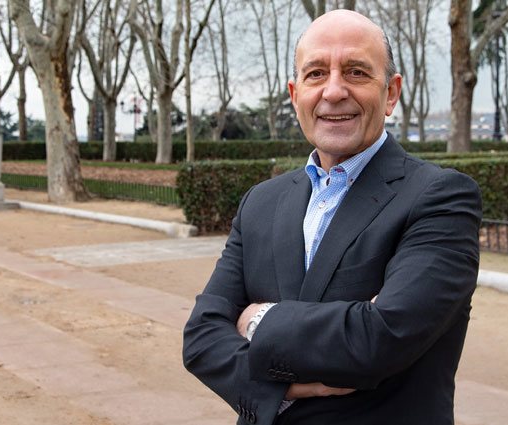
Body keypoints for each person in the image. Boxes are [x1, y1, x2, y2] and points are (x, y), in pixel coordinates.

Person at [183, 9, 482, 425]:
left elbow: (379, 340)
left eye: (357, 72)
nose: (334, 91)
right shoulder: (260, 202)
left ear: (391, 93)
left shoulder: (440, 197)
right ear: (295, 94)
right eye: (316, 74)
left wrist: (256, 319)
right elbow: (200, 337)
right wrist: (279, 385)